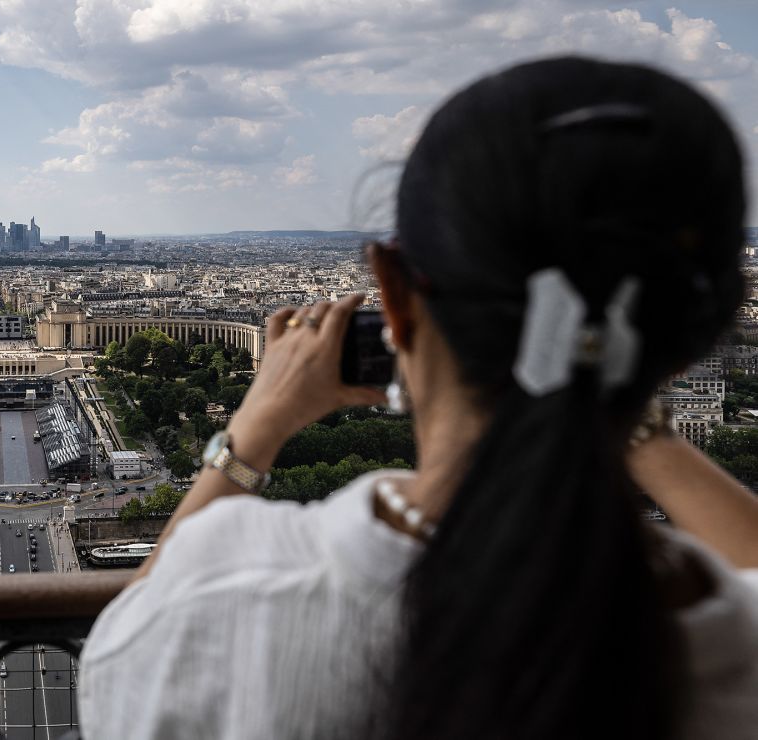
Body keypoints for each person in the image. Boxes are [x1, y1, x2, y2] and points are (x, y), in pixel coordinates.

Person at [78, 56, 758, 739]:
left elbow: (123, 653)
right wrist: (613, 404)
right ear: (698, 339)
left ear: (393, 296)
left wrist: (254, 427)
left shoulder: (223, 596)